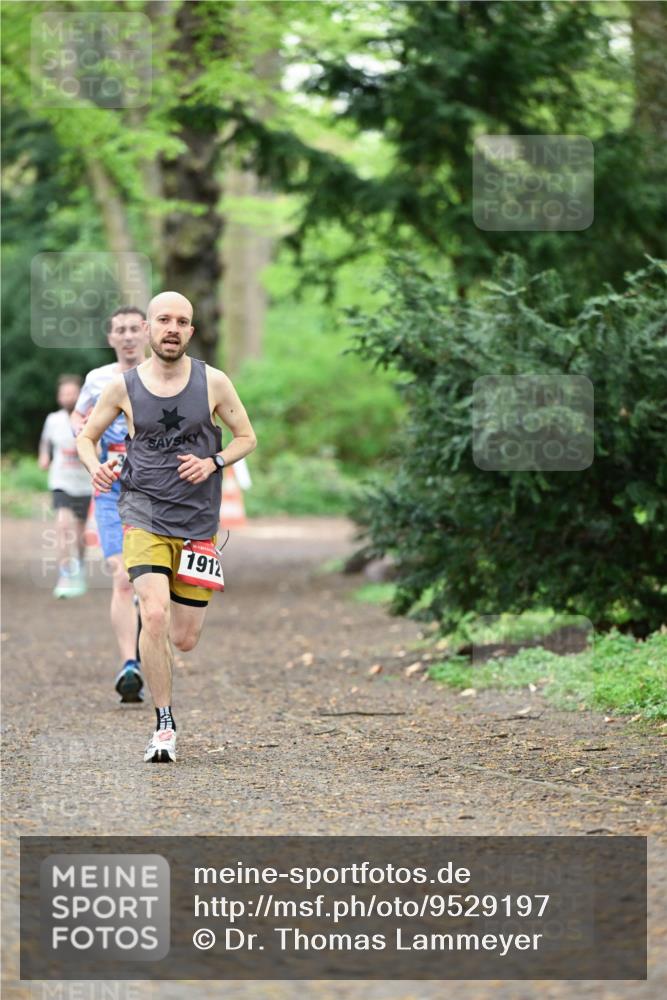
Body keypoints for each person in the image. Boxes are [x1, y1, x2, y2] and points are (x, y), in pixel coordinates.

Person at [76, 291, 257, 762]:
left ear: (191, 331)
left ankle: (164, 684)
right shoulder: (122, 387)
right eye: (163, 320)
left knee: (184, 638)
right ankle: (164, 724)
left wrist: (214, 462)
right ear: (150, 329)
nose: (172, 328)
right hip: (142, 513)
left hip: (198, 523)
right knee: (152, 614)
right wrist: (96, 466)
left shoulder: (213, 382)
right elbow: (86, 438)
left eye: (182, 321)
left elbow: (247, 437)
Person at [72, 307, 149, 703]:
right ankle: (129, 664)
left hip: (155, 490)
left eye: (136, 328)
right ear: (111, 337)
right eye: (121, 330)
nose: (129, 336)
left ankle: (154, 654)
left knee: (151, 583)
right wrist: (88, 448)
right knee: (122, 578)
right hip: (111, 487)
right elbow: (79, 418)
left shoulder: (163, 375)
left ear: (147, 333)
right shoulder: (97, 379)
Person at [38, 374, 93, 598]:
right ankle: (64, 573)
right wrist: (43, 456)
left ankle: (78, 565)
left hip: (84, 485)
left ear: (80, 396)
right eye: (64, 393)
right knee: (62, 526)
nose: (68, 397)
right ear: (59, 397)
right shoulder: (53, 419)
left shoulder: (89, 418)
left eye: (73, 393)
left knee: (80, 534)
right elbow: (45, 442)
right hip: (61, 482)